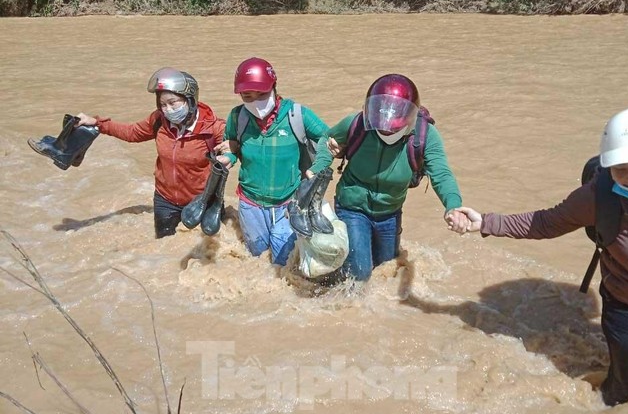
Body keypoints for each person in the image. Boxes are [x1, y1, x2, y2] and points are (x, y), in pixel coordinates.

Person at [457, 106, 628, 407]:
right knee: (627, 391)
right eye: (622, 169)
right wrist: (487, 223)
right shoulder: (600, 196)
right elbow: (545, 223)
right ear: (609, 167)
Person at [301, 73, 469, 283]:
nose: (385, 131)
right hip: (353, 207)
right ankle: (345, 300)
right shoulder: (358, 124)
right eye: (380, 126)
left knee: (387, 270)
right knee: (360, 273)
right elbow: (328, 138)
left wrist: (453, 206)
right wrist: (318, 167)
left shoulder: (425, 136)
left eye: (392, 128)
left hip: (389, 212)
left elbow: (441, 174)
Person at [75, 67, 227, 239]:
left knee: (208, 251)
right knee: (164, 250)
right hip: (166, 201)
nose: (168, 109)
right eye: (162, 104)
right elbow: (131, 132)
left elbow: (238, 148)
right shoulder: (158, 121)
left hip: (203, 202)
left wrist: (230, 152)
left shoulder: (214, 128)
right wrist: (97, 123)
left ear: (190, 100)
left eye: (173, 102)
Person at [214, 57, 329, 266]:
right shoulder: (237, 117)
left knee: (283, 262)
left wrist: (319, 165)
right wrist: (227, 158)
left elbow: (327, 138)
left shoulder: (296, 114)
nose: (255, 101)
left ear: (274, 87)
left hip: (287, 203)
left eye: (262, 94)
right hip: (250, 204)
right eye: (247, 96)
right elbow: (231, 146)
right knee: (257, 259)